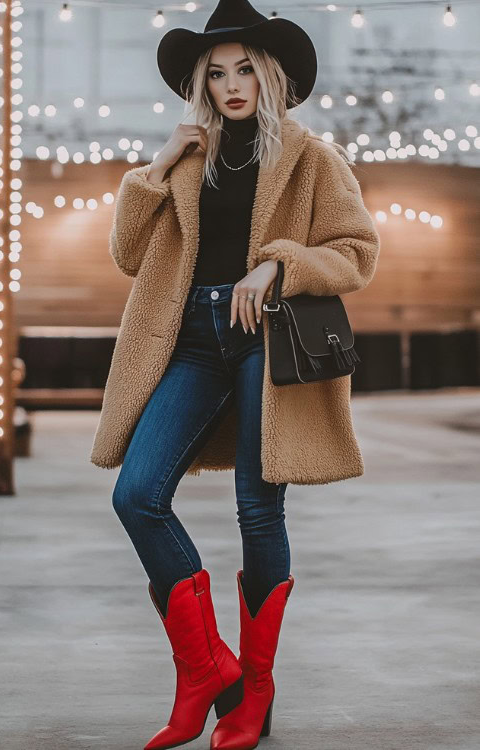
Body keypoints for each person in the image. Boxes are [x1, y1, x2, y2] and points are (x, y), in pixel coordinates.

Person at [97, 1, 381, 748]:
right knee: (137, 494)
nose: (231, 84)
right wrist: (154, 169)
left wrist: (278, 263)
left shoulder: (313, 158)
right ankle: (204, 668)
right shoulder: (185, 160)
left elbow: (357, 253)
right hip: (190, 337)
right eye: (216, 73)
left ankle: (253, 693)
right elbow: (129, 255)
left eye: (244, 69)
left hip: (265, 337)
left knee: (258, 511)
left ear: (270, 75)